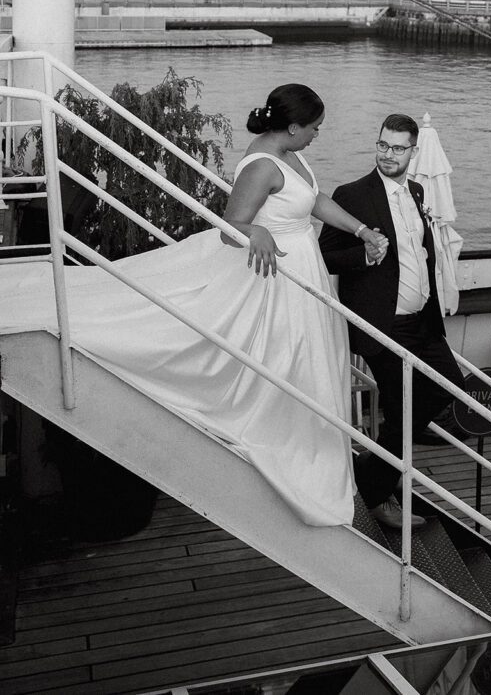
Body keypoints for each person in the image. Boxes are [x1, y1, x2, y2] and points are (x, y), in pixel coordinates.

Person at [0, 84, 387, 528]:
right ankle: (291, 446)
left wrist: (361, 230)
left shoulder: (289, 152)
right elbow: (231, 226)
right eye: (315, 128)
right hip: (277, 277)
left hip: (302, 269)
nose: (319, 134)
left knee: (306, 360)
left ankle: (312, 446)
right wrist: (254, 231)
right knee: (286, 358)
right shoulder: (262, 165)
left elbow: (312, 199)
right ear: (293, 127)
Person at [319, 113, 466, 529]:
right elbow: (326, 254)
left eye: (398, 148)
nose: (387, 154)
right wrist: (362, 255)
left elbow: (421, 254)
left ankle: (371, 474)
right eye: (383, 145)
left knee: (446, 389)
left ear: (413, 152)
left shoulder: (418, 191)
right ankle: (376, 496)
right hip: (382, 325)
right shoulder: (351, 195)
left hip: (422, 321)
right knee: (402, 412)